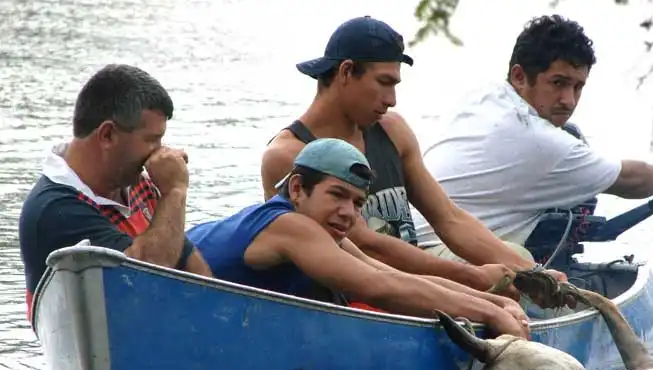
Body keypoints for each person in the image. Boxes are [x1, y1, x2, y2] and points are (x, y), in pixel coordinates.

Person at [260, 15, 567, 304]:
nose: (391, 99)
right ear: (346, 72)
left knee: (517, 260)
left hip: (412, 271)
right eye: (384, 82)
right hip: (357, 285)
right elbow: (364, 245)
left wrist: (531, 274)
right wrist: (473, 278)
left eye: (395, 85)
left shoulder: (392, 130)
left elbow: (449, 219)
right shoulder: (289, 155)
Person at [413, 14, 653, 259]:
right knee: (519, 262)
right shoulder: (537, 140)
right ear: (519, 76)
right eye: (558, 83)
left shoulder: (485, 98)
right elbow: (630, 179)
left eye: (578, 87)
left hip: (413, 242)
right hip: (437, 251)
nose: (569, 100)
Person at [189, 137, 530, 338]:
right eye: (336, 195)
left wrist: (494, 303)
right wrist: (490, 315)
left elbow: (391, 275)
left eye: (356, 203)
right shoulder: (289, 225)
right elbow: (378, 288)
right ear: (297, 188)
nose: (348, 213)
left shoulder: (321, 232)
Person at [19, 64, 212, 319]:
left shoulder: (137, 184)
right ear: (108, 135)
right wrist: (175, 191)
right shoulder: (55, 209)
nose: (160, 151)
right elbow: (140, 279)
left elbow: (189, 263)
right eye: (152, 139)